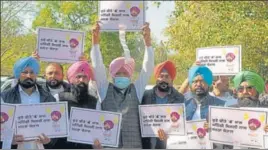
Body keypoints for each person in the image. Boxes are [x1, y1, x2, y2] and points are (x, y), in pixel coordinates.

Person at [91, 22, 154, 148]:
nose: (121, 76)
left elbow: (147, 69)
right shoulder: (104, 89)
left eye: (124, 73)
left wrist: (148, 43)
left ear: (130, 75)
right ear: (112, 75)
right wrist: (95, 42)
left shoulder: (136, 89)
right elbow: (97, 66)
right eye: (118, 73)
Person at [0, 56, 56, 149]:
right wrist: (9, 140)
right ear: (18, 74)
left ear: (36, 74)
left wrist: (50, 140)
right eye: (25, 72)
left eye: (32, 72)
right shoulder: (4, 97)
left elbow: (56, 128)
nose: (28, 76)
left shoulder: (49, 98)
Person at [205, 71, 268, 149]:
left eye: (249, 88)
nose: (245, 92)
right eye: (240, 89)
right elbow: (219, 142)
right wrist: (212, 130)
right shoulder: (228, 110)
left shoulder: (265, 111)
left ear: (257, 90)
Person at [52, 61, 98, 149]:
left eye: (85, 77)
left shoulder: (94, 101)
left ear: (88, 79)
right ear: (71, 79)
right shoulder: (59, 98)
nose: (81, 80)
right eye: (78, 77)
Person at [141, 60, 185, 149]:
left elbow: (181, 123)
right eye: (161, 76)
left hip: (170, 143)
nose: (164, 79)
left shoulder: (179, 98)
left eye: (167, 76)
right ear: (156, 78)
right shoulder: (145, 95)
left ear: (171, 79)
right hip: (148, 143)